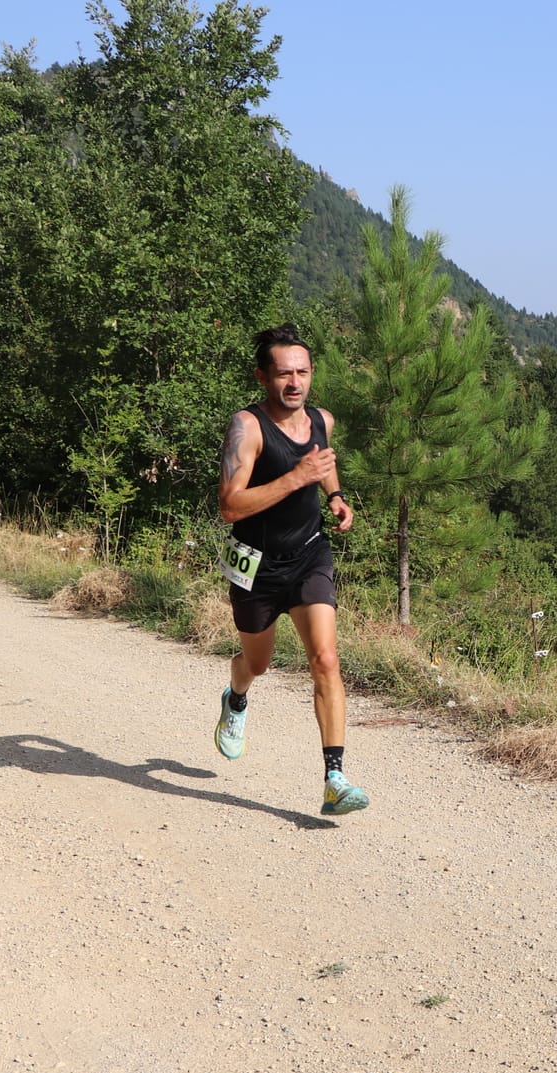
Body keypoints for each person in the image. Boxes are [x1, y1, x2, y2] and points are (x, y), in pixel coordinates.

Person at [213, 326, 369, 816]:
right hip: (255, 564)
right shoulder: (249, 427)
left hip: (308, 555)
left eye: (302, 372)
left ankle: (335, 778)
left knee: (325, 659)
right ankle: (236, 696)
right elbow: (230, 507)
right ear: (263, 377)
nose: (294, 382)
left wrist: (336, 497)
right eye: (283, 373)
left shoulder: (322, 420)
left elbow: (322, 464)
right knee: (255, 663)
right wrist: (295, 477)